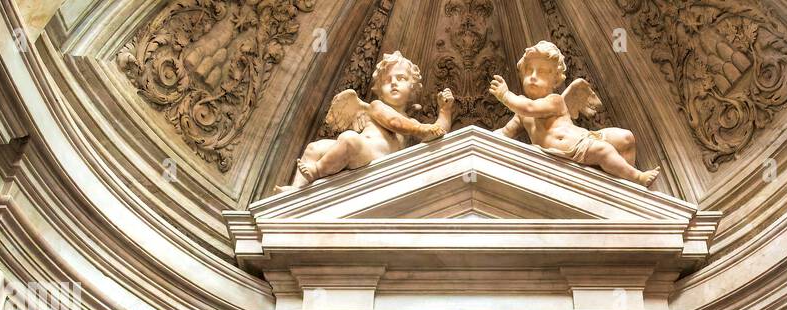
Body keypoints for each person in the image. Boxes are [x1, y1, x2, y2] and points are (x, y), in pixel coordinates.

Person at [490, 41, 659, 187]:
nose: (533, 77)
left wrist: (505, 95)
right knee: (603, 150)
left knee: (626, 137)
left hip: (579, 141)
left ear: (555, 80)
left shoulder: (554, 100)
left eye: (541, 72)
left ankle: (623, 183)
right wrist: (483, 138)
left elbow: (529, 108)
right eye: (529, 71)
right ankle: (637, 177)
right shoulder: (521, 113)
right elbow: (505, 133)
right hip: (569, 150)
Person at [282, 52, 453, 190]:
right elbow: (394, 122)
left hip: (374, 158)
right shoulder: (376, 106)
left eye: (400, 78)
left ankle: (317, 170)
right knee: (314, 147)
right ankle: (296, 189)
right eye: (387, 81)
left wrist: (445, 110)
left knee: (349, 139)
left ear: (413, 87)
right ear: (379, 90)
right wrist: (422, 128)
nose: (393, 83)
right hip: (364, 151)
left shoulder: (412, 124)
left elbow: (438, 134)